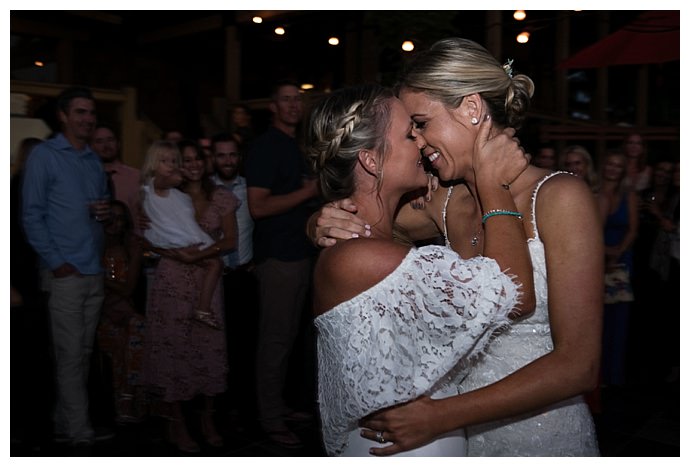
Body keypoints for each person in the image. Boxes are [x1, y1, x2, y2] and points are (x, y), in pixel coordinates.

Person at [310, 38, 603, 456]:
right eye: (410, 130)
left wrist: (443, 416)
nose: (418, 140)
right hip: (458, 441)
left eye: (422, 123)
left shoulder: (559, 196)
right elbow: (367, 226)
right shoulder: (442, 201)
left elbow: (580, 365)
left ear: (471, 108)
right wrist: (323, 219)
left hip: (539, 433)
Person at [305, 84, 535, 456]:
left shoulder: (370, 242)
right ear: (371, 161)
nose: (421, 141)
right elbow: (513, 292)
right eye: (409, 132)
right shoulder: (361, 257)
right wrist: (496, 185)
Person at [22, 86, 113, 447]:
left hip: (93, 270)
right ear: (63, 116)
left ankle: (63, 421)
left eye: (91, 113)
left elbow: (96, 210)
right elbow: (30, 216)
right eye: (80, 112)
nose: (87, 119)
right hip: (65, 274)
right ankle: (79, 432)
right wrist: (57, 263)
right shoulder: (45, 155)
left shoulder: (92, 159)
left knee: (83, 353)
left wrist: (104, 214)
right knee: (70, 355)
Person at [140, 138, 238, 453]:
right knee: (173, 350)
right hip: (170, 279)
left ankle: (207, 420)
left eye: (198, 158)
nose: (193, 164)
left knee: (208, 349)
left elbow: (231, 241)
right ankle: (177, 424)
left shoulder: (221, 197)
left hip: (206, 281)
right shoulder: (166, 195)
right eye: (186, 159)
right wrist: (162, 247)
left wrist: (196, 257)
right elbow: (145, 238)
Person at [244, 80, 321, 448]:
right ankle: (270, 418)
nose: (293, 105)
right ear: (273, 106)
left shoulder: (296, 146)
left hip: (301, 253)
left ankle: (280, 406)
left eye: (297, 100)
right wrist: (307, 192)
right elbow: (257, 206)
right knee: (274, 340)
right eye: (286, 100)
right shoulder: (265, 148)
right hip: (278, 256)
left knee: (290, 337)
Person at [140, 140, 223, 329]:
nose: (170, 165)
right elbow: (161, 181)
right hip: (173, 251)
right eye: (164, 161)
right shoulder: (154, 187)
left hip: (188, 250)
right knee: (215, 263)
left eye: (173, 161)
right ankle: (202, 309)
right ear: (153, 163)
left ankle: (203, 308)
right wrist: (180, 174)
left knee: (215, 263)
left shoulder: (179, 195)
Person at [209, 132, 259, 427]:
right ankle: (217, 411)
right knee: (215, 347)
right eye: (221, 155)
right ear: (213, 159)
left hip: (243, 276)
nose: (227, 160)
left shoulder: (248, 188)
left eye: (231, 155)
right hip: (213, 279)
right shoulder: (204, 190)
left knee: (245, 347)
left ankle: (243, 411)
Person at [96, 200, 148, 424]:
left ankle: (130, 397)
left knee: (136, 329)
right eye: (110, 218)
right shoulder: (93, 245)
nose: (115, 224)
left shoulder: (132, 246)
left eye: (120, 219)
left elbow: (129, 288)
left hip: (125, 309)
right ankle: (122, 401)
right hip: (100, 312)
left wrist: (103, 280)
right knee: (118, 338)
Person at [597, 148, 638, 389]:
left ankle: (614, 378)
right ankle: (598, 376)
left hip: (621, 260)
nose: (613, 169)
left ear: (622, 171)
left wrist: (616, 253)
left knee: (618, 321)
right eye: (609, 164)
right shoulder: (594, 191)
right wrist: (601, 251)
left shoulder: (628, 195)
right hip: (595, 257)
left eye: (618, 166)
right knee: (598, 319)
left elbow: (633, 230)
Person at [90, 123, 141, 220]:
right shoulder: (84, 177)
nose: (106, 145)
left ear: (118, 143)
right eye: (99, 141)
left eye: (110, 140)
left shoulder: (137, 177)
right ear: (90, 147)